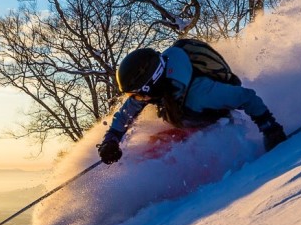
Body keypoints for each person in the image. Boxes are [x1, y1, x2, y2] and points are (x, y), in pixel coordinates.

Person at [97, 45, 287, 165]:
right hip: (188, 122)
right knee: (152, 147)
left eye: (138, 94)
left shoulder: (199, 93)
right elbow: (126, 113)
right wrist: (111, 139)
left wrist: (270, 128)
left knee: (171, 151)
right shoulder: (159, 88)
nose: (136, 99)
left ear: (151, 84)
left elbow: (246, 97)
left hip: (217, 123)